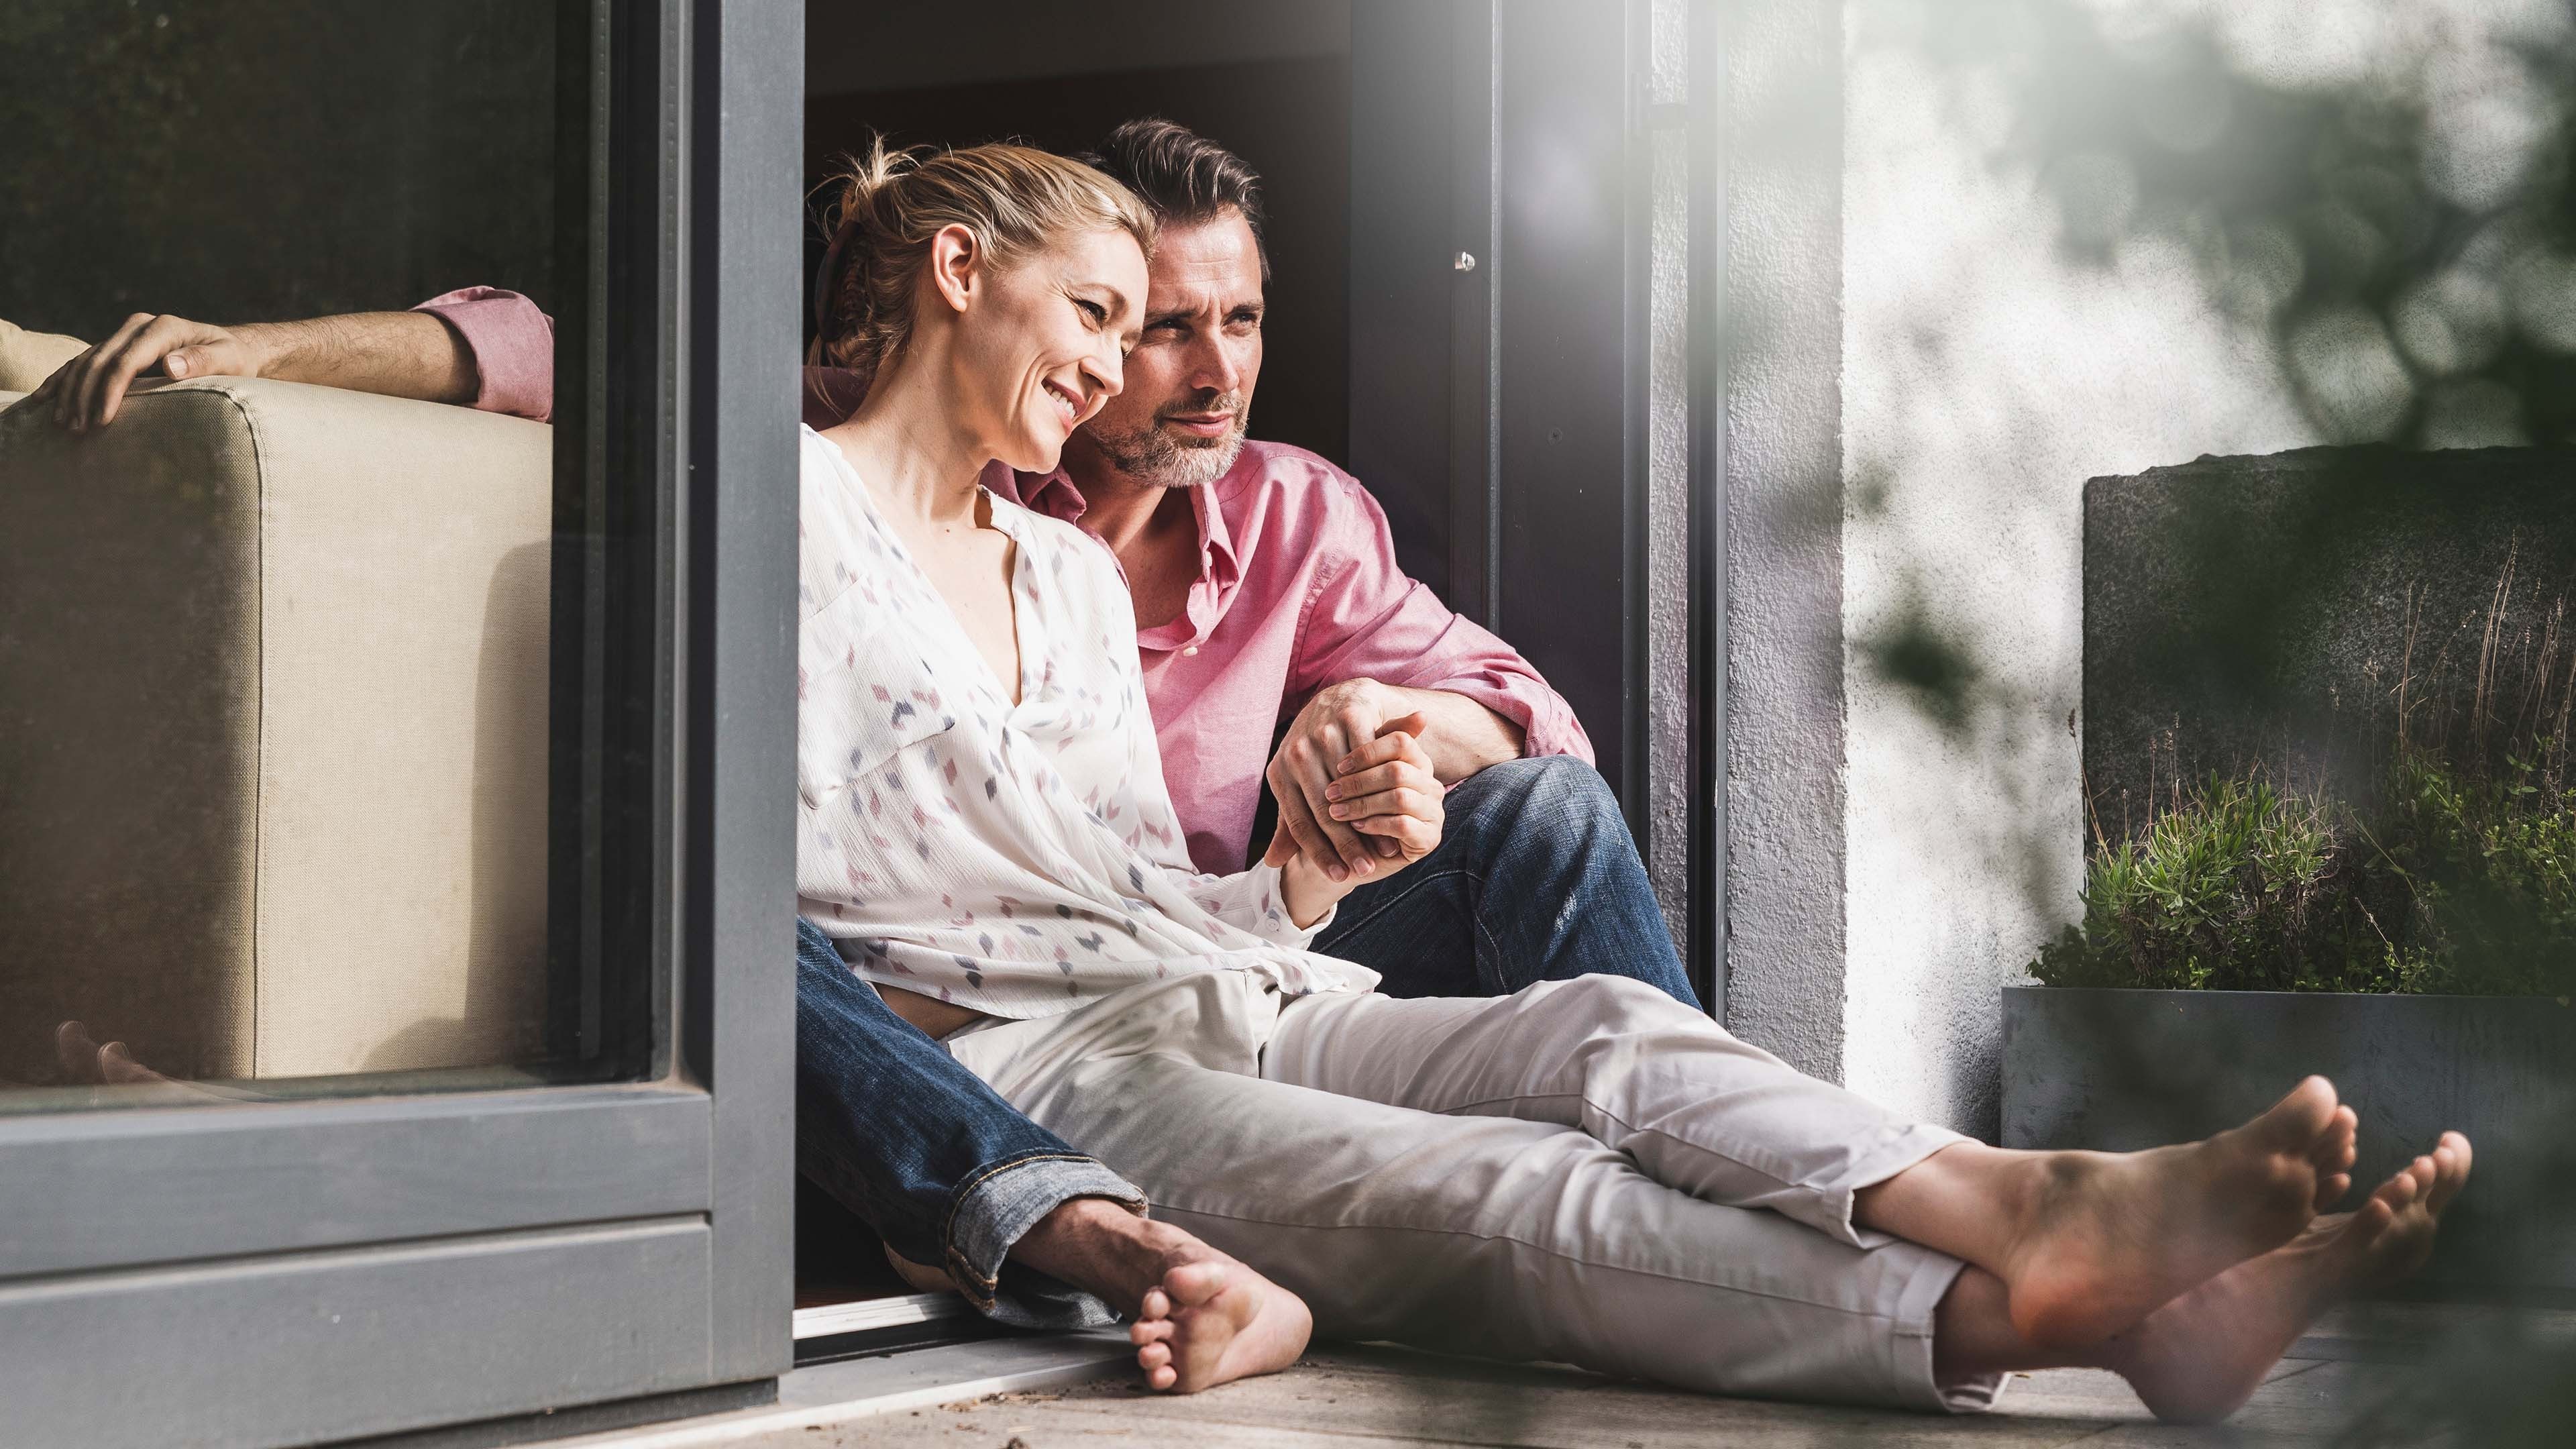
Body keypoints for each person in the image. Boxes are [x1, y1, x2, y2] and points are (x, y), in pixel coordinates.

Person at [787, 136, 2469, 1423]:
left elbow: (1144, 887)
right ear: (956, 272)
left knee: (1599, 1028)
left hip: (1223, 978)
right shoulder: (779, 513)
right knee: (1493, 1192)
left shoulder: (1059, 572)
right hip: (1032, 1065)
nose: (1112, 368)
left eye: (1160, 325)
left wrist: (1305, 859)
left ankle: (2033, 1205)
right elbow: (787, 901)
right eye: (1102, 316)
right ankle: (2036, 1320)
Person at [26, 121, 1694, 1357]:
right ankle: (1094, 1233)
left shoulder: (1296, 515)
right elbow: (555, 347)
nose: (1200, 373)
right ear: (1025, 296)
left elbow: (1524, 707)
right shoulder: (864, 437)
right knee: (723, 923)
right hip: (975, 1008)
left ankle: (1711, 1185)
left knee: (1541, 815)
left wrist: (1387, 725)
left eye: (1235, 323)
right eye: (1147, 321)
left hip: (1226, 949)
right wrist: (261, 350)